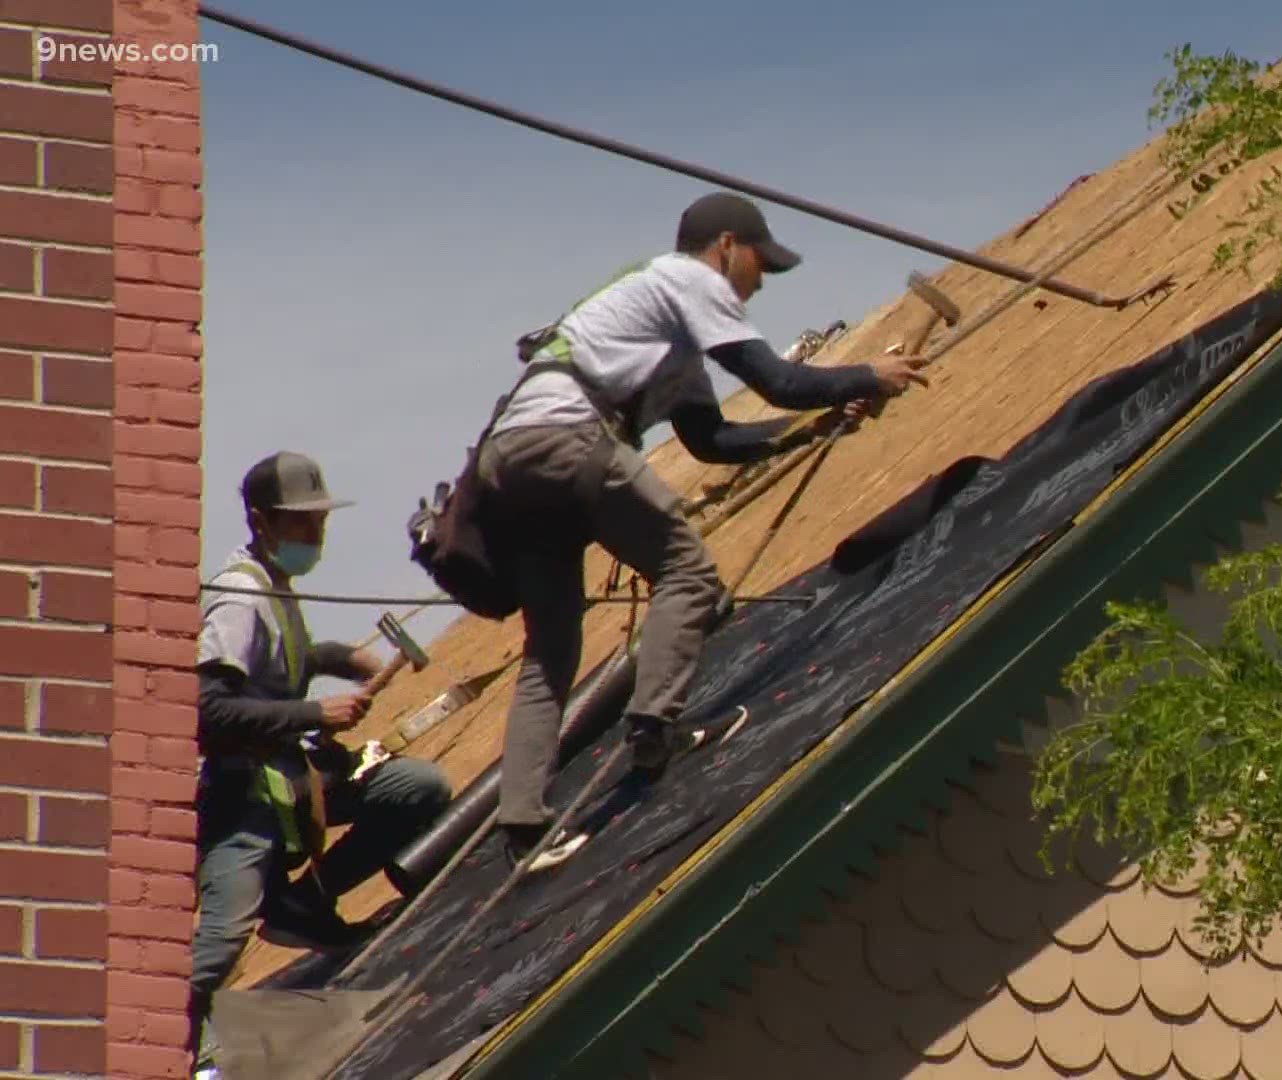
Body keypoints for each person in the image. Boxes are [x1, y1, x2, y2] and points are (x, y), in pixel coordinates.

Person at [477, 191, 929, 873]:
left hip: (509, 457)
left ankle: (521, 828)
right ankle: (654, 729)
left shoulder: (662, 334)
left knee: (552, 647)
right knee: (688, 572)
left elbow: (711, 440)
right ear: (725, 247)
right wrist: (868, 373)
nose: (758, 283)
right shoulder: (689, 279)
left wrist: (815, 426)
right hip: (568, 436)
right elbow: (777, 380)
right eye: (758, 265)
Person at [187, 451, 453, 1073]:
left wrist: (338, 658)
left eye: (319, 520)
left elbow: (284, 663)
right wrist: (314, 715)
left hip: (297, 779)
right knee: (221, 942)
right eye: (302, 522)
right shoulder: (239, 599)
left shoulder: (275, 584)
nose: (316, 534)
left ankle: (304, 904)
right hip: (247, 796)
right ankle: (164, 1052)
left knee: (418, 789)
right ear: (261, 519)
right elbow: (210, 710)